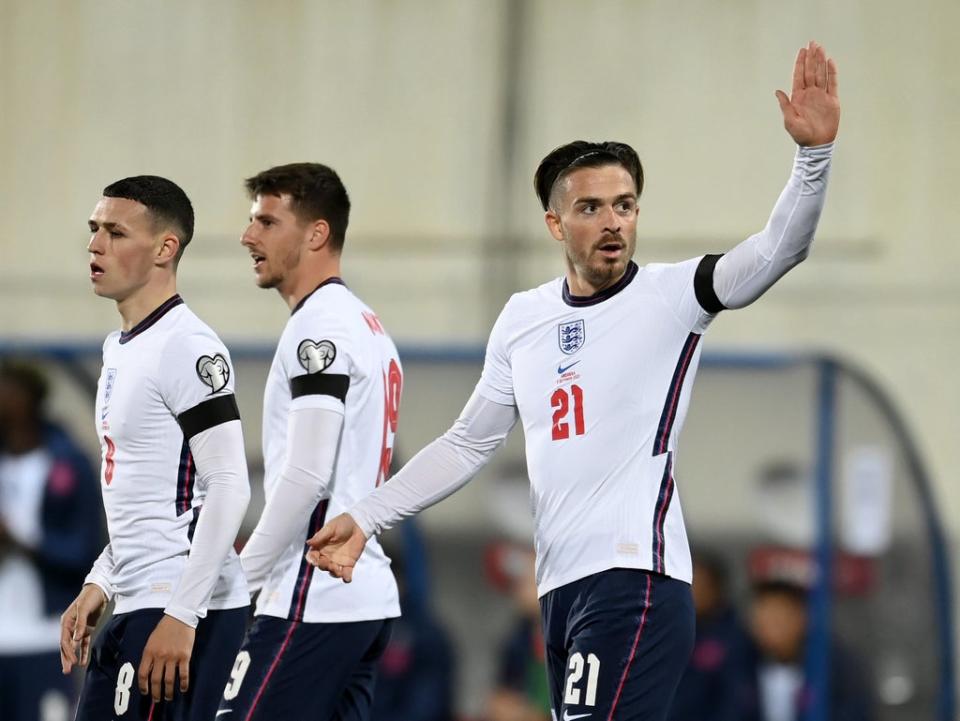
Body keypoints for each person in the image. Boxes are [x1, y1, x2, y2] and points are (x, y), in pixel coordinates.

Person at [308, 40, 841, 721]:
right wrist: (368, 515)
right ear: (556, 223)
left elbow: (778, 249)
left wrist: (813, 158)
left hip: (635, 581)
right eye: (592, 207)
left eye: (625, 204)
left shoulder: (674, 295)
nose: (613, 220)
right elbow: (470, 442)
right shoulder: (524, 317)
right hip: (561, 589)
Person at [60, 176, 251, 720]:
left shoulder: (187, 346)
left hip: (182, 606)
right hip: (137, 598)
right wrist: (101, 580)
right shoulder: (119, 348)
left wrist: (184, 614)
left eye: (116, 232)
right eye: (94, 229)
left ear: (166, 248)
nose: (96, 245)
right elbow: (143, 489)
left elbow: (229, 484)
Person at [217, 163, 402, 720]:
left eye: (268, 222)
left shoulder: (318, 327)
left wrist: (231, 587)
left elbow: (306, 476)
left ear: (317, 233)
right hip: (363, 594)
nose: (249, 237)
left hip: (311, 595)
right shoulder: (368, 325)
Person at [0, 361, 101, 721]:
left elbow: (86, 549)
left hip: (43, 638)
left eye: (7, 387)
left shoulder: (66, 463)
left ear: (29, 397)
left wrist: (21, 543)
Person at [667, 551, 753, 721]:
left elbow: (735, 700)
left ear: (717, 589)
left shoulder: (736, 638)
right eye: (687, 584)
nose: (692, 592)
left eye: (699, 585)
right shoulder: (670, 632)